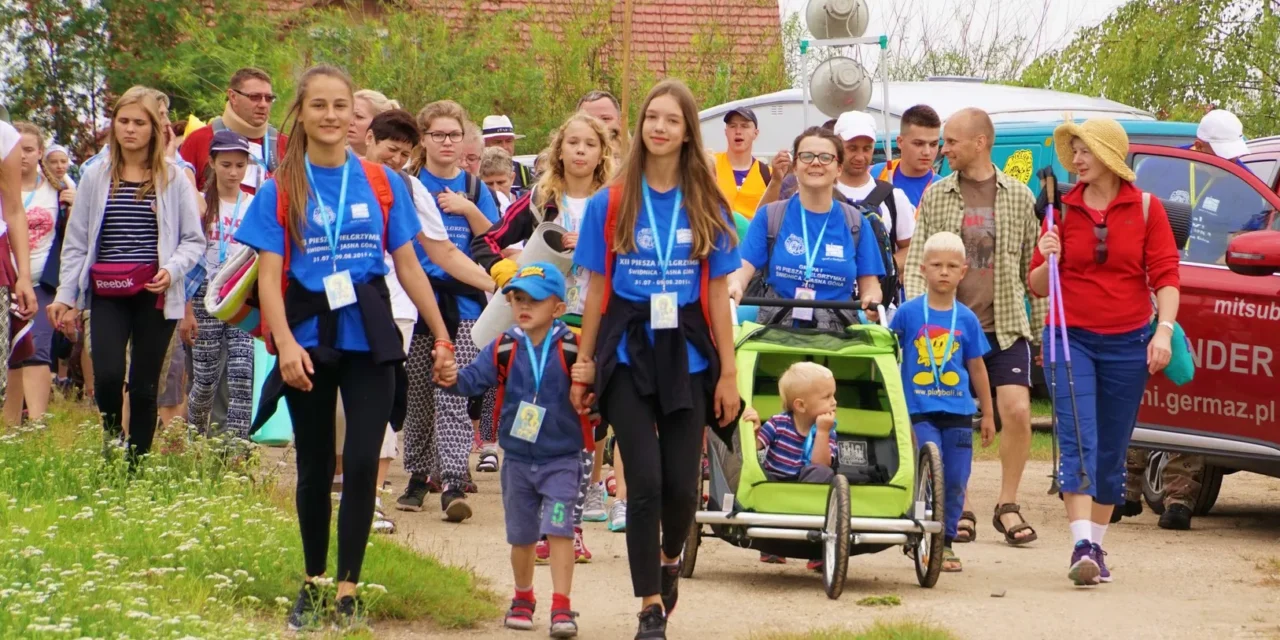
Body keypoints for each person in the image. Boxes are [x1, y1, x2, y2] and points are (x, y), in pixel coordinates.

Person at [231, 65, 454, 632]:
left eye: (341, 106)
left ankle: (349, 591)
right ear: (301, 114)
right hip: (307, 336)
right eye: (319, 106)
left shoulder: (383, 183)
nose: (331, 116)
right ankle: (313, 583)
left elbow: (408, 264)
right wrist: (282, 346)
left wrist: (441, 334)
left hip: (370, 335)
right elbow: (269, 275)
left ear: (355, 115)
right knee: (312, 467)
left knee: (360, 464)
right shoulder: (283, 186)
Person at [569, 79, 741, 640]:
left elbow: (717, 293)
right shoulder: (612, 200)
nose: (659, 127)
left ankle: (671, 561)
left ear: (689, 131)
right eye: (651, 118)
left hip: (688, 352)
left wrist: (730, 374)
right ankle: (649, 607)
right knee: (641, 480)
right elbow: (597, 289)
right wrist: (586, 361)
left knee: (678, 489)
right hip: (626, 345)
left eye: (672, 119)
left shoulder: (708, 203)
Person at [1030, 117, 1180, 586]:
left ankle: (1096, 544)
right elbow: (1036, 285)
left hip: (1129, 340)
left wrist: (1164, 331)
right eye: (1072, 151)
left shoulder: (1148, 208)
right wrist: (1045, 252)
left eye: (1084, 151)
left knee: (1112, 451)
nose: (1075, 160)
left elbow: (1167, 277)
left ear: (1110, 157)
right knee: (1078, 439)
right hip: (1069, 338)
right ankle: (1081, 543)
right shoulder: (1059, 209)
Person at [472, 111, 620, 562]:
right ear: (558, 151)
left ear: (601, 154)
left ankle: (575, 516)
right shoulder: (541, 199)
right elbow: (488, 240)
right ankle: (539, 519)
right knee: (536, 415)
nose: (579, 151)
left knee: (585, 417)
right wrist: (509, 276)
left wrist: (596, 245)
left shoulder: (613, 200)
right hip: (540, 327)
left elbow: (632, 250)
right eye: (571, 143)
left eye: (589, 145)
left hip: (592, 319)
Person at [903, 107, 1044, 547]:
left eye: (951, 142)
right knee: (951, 419)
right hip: (948, 329)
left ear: (979, 143)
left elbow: (1031, 267)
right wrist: (916, 319)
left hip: (1003, 325)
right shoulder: (938, 193)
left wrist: (1039, 336)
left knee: (1018, 411)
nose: (943, 150)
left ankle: (1007, 503)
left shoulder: (1019, 196)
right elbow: (915, 265)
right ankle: (956, 504)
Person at [353, 108, 493, 534]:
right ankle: (395, 480)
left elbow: (438, 253)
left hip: (406, 309)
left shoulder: (414, 189)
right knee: (403, 403)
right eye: (390, 150)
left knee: (393, 403)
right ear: (369, 139)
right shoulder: (342, 177)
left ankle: (435, 484)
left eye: (401, 153)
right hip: (339, 306)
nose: (395, 160)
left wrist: (499, 282)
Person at [48, 89, 205, 460]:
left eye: (140, 123)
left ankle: (137, 462)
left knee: (145, 386)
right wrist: (65, 295)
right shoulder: (95, 177)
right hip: (106, 291)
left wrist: (171, 269)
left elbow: (192, 240)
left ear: (154, 129)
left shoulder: (174, 179)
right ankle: (112, 438)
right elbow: (78, 240)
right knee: (106, 374)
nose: (130, 130)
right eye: (123, 122)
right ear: (113, 126)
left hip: (155, 291)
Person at [439, 263, 588, 638]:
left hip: (562, 459)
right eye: (518, 298)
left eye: (535, 300)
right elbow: (473, 380)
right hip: (518, 461)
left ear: (558, 307)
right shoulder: (504, 346)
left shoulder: (574, 347)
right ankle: (523, 597)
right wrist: (451, 378)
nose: (524, 306)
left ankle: (561, 605)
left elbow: (593, 390)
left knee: (559, 529)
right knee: (521, 536)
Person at [396, 100, 501, 520]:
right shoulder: (409, 184)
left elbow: (493, 240)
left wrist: (468, 208)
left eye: (454, 135)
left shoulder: (476, 189)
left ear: (465, 141)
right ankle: (420, 475)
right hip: (418, 298)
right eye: (437, 135)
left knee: (454, 392)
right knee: (419, 393)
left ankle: (455, 481)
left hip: (466, 300)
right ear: (423, 139)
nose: (446, 142)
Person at [890, 231, 995, 573]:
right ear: (922, 269)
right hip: (919, 411)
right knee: (927, 473)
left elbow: (977, 366)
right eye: (937, 265)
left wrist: (989, 414)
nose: (944, 272)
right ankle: (916, 531)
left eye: (952, 266)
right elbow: (890, 356)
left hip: (959, 413)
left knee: (955, 478)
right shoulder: (907, 313)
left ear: (963, 271)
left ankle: (945, 541)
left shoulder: (965, 318)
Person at [727, 125, 885, 329]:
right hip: (777, 327)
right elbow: (742, 268)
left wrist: (871, 299)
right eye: (807, 156)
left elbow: (870, 284)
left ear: (838, 168)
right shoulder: (770, 216)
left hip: (838, 331)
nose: (816, 163)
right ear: (795, 166)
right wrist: (735, 285)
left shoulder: (856, 223)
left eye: (826, 157)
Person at [185, 130, 255, 439]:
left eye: (240, 165)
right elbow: (186, 258)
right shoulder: (198, 203)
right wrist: (185, 308)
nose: (233, 172)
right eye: (226, 164)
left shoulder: (254, 203)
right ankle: (194, 436)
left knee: (242, 372)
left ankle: (237, 447)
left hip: (239, 295)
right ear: (212, 163)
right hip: (203, 295)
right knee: (206, 377)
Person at [739, 362, 839, 565]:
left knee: (823, 474)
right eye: (827, 397)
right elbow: (755, 448)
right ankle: (771, 545)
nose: (834, 402)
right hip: (775, 482)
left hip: (806, 488)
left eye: (833, 395)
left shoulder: (828, 429)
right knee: (759, 477)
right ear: (801, 405)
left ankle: (817, 548)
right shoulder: (778, 422)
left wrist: (822, 432)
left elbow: (821, 464)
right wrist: (756, 429)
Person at [4, 123, 60, 424]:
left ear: (40, 152)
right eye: (18, 149)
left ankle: (38, 424)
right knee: (10, 353)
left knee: (36, 347)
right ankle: (10, 423)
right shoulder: (3, 188)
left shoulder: (59, 191)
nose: (23, 156)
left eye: (29, 150)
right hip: (5, 280)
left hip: (40, 282)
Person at [831, 111, 915, 277]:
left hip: (878, 300)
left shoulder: (893, 197)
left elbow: (911, 248)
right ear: (836, 146)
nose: (860, 157)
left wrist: (884, 271)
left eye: (867, 149)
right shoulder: (818, 193)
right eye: (852, 148)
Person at [180, 67, 288, 192]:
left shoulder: (286, 144)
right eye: (254, 97)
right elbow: (180, 198)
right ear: (233, 97)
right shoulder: (199, 140)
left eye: (269, 98)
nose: (263, 104)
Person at [712, 108, 784, 221]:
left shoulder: (769, 175)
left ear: (755, 133)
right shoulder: (711, 164)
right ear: (726, 132)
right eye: (732, 126)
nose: (738, 131)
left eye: (744, 126)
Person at [870, 104, 942, 207]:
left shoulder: (942, 190)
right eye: (918, 143)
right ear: (900, 142)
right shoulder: (873, 174)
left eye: (933, 144)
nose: (927, 152)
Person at [483, 114, 535, 197]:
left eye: (508, 141)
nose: (505, 147)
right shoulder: (475, 172)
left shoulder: (524, 173)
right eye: (498, 142)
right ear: (484, 144)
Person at [347, 89, 400, 158]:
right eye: (348, 114)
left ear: (380, 123)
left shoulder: (394, 161)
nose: (350, 122)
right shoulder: (332, 159)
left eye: (359, 117)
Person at [480, 146, 515, 212]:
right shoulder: (474, 206)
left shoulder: (527, 205)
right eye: (488, 184)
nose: (495, 189)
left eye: (501, 182)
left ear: (512, 178)